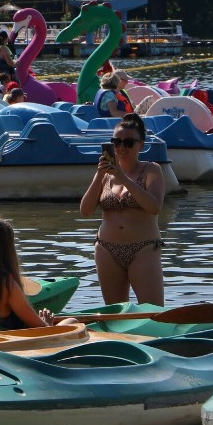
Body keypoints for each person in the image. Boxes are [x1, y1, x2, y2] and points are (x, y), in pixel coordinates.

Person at [79, 113, 165, 306]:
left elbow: (154, 207)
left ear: (140, 145)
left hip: (143, 248)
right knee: (115, 313)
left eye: (128, 143)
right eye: (116, 142)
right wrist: (99, 175)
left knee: (153, 311)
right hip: (107, 248)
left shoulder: (151, 170)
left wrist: (124, 178)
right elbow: (85, 211)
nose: (121, 147)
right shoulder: (105, 174)